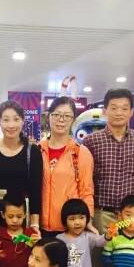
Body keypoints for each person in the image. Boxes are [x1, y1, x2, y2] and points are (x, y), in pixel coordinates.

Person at [83, 89, 134, 242]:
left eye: (124, 108)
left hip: (132, 216)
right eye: (114, 108)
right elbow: (86, 180)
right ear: (105, 111)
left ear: (131, 112)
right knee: (101, 254)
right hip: (102, 214)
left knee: (129, 254)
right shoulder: (91, 141)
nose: (119, 113)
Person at [0, 100, 42, 239]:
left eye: (16, 119)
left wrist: (34, 224)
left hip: (20, 217)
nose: (11, 125)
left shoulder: (32, 152)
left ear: (23, 121)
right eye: (6, 120)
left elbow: (36, 191)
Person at [40, 96, 94, 236]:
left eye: (67, 116)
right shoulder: (37, 150)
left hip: (70, 228)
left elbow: (86, 191)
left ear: (73, 120)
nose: (61, 120)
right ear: (49, 116)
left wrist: (88, 220)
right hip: (39, 227)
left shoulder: (80, 152)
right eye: (56, 114)